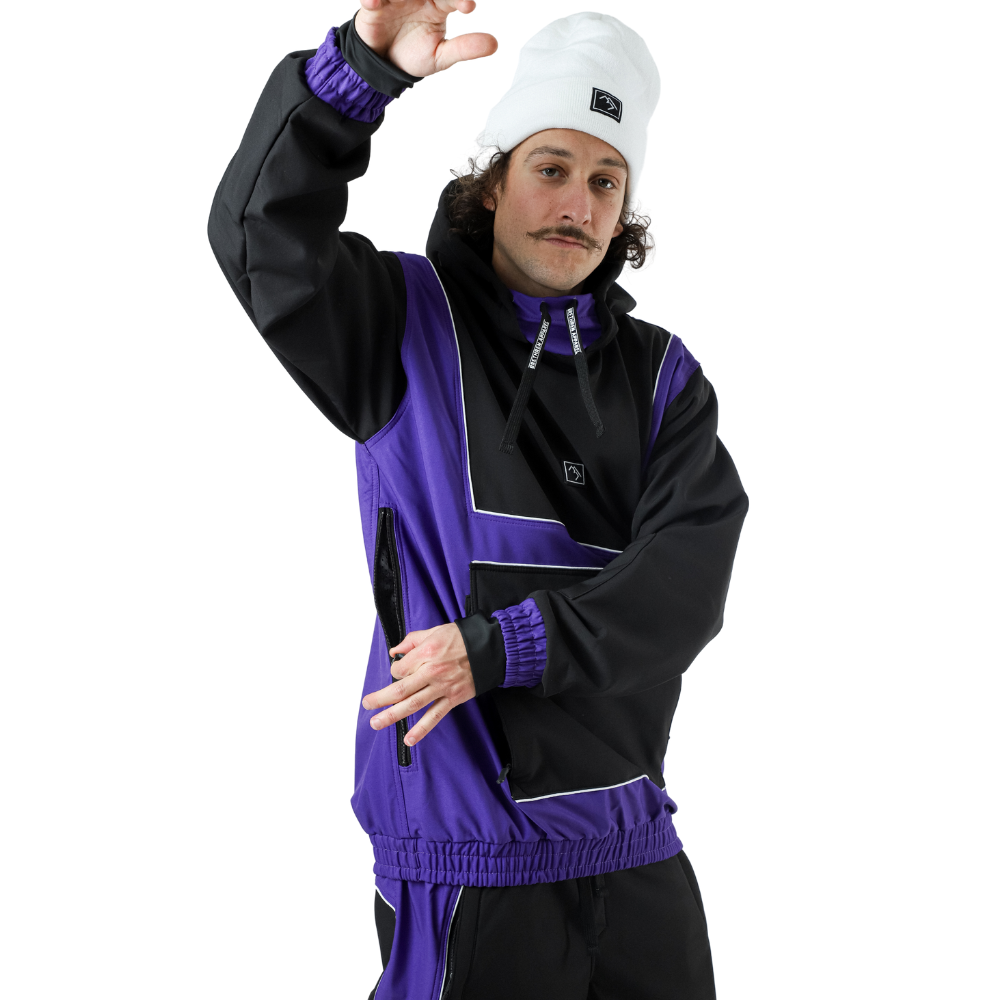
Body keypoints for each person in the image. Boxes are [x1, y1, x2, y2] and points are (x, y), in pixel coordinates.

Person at [208, 3, 748, 997]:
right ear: (492, 180)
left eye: (606, 180)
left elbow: (686, 583)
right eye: (551, 167)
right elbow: (259, 233)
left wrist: (506, 646)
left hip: (635, 852)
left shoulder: (662, 376)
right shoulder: (397, 325)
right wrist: (355, 76)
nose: (576, 203)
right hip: (469, 867)